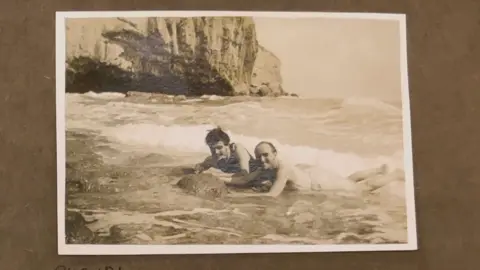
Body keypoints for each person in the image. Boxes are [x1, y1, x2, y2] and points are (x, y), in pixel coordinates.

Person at [228, 141, 384, 198]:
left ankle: (396, 175)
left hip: (318, 183)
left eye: (265, 155)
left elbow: (272, 195)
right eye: (258, 157)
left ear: (275, 153)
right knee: (348, 179)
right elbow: (245, 179)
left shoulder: (283, 169)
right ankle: (377, 170)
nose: (261, 160)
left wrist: (237, 198)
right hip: (309, 173)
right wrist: (219, 179)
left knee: (360, 188)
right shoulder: (266, 166)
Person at [193, 127, 261, 186]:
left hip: (257, 178)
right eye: (212, 149)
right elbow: (202, 165)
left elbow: (245, 177)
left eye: (219, 147)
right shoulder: (212, 159)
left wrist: (215, 176)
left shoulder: (237, 149)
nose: (216, 152)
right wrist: (199, 167)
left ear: (227, 144)